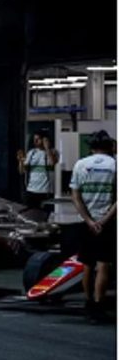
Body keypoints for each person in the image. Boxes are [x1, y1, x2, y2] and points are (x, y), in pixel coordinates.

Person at [70, 130, 116, 323]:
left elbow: (75, 196)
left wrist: (88, 220)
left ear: (91, 147)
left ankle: (88, 302)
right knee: (103, 264)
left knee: (87, 264)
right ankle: (99, 305)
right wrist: (103, 221)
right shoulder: (115, 164)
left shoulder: (80, 164)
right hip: (108, 222)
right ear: (110, 146)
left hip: (85, 223)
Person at [18, 129, 58, 214]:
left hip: (45, 191)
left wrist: (47, 148)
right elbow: (22, 171)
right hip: (31, 189)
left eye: (38, 139)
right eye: (34, 139)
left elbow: (52, 163)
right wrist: (20, 161)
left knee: (44, 214)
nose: (35, 141)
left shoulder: (53, 152)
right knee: (30, 214)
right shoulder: (32, 152)